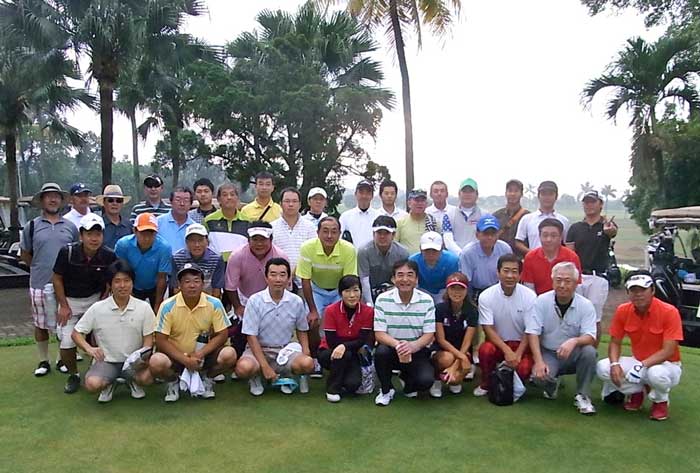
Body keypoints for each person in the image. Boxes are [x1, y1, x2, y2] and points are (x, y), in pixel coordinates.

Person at [596, 271, 683, 421]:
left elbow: (669, 350)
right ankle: (638, 390)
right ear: (628, 292)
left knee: (655, 374)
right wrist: (615, 364)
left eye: (643, 290)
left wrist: (642, 365)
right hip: (639, 361)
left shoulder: (669, 311)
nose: (638, 294)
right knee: (603, 368)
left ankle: (660, 401)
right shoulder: (623, 310)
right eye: (633, 290)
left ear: (653, 291)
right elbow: (615, 342)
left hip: (667, 365)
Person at [149, 263, 237, 402]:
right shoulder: (167, 306)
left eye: (196, 281)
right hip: (176, 356)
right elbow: (161, 339)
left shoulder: (214, 303)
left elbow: (222, 334)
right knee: (156, 362)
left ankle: (206, 378)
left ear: (202, 284)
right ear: (179, 285)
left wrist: (200, 354)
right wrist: (184, 359)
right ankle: (173, 382)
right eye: (187, 281)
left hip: (203, 355)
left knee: (229, 354)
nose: (192, 285)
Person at [71, 260, 155, 402]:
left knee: (147, 379)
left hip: (133, 362)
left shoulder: (144, 307)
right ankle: (110, 383)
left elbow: (148, 340)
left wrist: (142, 358)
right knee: (92, 385)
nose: (122, 285)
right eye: (117, 281)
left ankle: (131, 381)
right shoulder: (98, 308)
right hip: (107, 361)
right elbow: (76, 333)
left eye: (127, 281)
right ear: (110, 284)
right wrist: (89, 349)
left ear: (132, 283)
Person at [20, 183, 79, 377]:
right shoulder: (32, 226)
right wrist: (40, 269)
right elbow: (26, 254)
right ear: (42, 200)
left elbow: (75, 254)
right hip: (39, 283)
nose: (53, 199)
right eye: (48, 196)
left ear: (61, 201)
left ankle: (61, 359)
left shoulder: (70, 227)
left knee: (64, 323)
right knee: (41, 324)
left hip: (65, 284)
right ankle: (43, 360)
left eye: (56, 196)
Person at [53, 214, 117, 393]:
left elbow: (110, 280)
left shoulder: (109, 255)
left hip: (95, 300)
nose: (94, 238)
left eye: (98, 234)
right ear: (81, 235)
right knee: (67, 343)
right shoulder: (68, 252)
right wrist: (64, 306)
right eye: (89, 234)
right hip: (70, 302)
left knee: (101, 339)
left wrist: (104, 299)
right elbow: (57, 278)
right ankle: (73, 374)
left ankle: (97, 371)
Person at [526, 262, 598, 415]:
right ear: (552, 281)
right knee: (538, 377)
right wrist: (538, 361)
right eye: (558, 280)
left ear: (576, 283)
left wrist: (575, 341)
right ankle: (552, 384)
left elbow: (591, 336)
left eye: (568, 281)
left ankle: (583, 395)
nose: (563, 285)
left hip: (574, 354)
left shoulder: (586, 305)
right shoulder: (541, 301)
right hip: (549, 352)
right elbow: (533, 332)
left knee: (590, 352)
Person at [235, 258, 314, 396]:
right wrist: (265, 367)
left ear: (289, 278)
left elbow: (302, 329)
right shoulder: (254, 300)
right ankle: (256, 376)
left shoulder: (296, 301)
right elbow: (251, 336)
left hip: (284, 350)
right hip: (259, 349)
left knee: (307, 363)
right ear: (266, 277)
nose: (278, 279)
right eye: (273, 274)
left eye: (282, 275)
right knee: (243, 368)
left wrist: (306, 352)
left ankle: (288, 375)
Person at [297, 216, 358, 377]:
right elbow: (305, 280)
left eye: (334, 232)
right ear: (317, 233)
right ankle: (316, 358)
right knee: (312, 321)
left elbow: (349, 282)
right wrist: (312, 310)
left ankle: (339, 358)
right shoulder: (307, 247)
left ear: (339, 233)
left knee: (342, 322)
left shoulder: (349, 249)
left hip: (340, 290)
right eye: (325, 231)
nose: (329, 236)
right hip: (316, 289)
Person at [373, 259, 436, 406]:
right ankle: (386, 390)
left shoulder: (427, 300)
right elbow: (380, 334)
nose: (405, 279)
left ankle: (408, 381)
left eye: (410, 275)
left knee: (425, 382)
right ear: (393, 279)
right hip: (391, 348)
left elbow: (429, 334)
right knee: (381, 352)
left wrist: (413, 346)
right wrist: (399, 346)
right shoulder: (382, 299)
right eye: (400, 275)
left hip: (417, 349)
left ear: (416, 279)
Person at [474, 254, 536, 398]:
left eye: (514, 271)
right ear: (498, 272)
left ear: (520, 274)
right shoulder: (486, 296)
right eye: (506, 271)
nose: (510, 275)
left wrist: (518, 354)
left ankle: (511, 378)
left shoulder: (530, 296)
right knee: (485, 350)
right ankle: (486, 383)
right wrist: (507, 351)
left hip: (521, 345)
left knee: (524, 369)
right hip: (498, 344)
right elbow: (488, 328)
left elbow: (530, 329)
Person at [566, 190, 618, 340]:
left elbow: (612, 232)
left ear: (600, 204)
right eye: (586, 202)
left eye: (593, 202)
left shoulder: (606, 225)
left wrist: (608, 230)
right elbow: (570, 254)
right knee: (574, 316)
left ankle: (591, 352)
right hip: (578, 276)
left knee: (594, 318)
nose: (589, 205)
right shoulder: (575, 228)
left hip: (598, 277)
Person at [318, 275, 374, 402]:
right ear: (340, 293)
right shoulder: (331, 310)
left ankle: (342, 376)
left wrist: (345, 346)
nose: (352, 295)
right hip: (329, 351)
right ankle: (332, 388)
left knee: (353, 385)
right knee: (343, 355)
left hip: (352, 352)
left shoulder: (368, 312)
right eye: (347, 291)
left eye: (355, 290)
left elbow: (362, 339)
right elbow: (331, 340)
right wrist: (345, 348)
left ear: (361, 291)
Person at [225, 221, 289, 315]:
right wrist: (238, 307)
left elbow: (286, 285)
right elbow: (230, 286)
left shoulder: (281, 256)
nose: (259, 244)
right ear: (248, 240)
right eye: (255, 239)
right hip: (244, 298)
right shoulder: (237, 256)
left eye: (263, 239)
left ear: (271, 240)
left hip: (273, 299)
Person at [430, 273, 478, 398]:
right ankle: (436, 380)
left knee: (461, 371)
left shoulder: (472, 311)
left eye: (461, 288)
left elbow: (467, 341)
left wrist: (457, 364)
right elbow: (441, 340)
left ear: (466, 290)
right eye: (453, 288)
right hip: (442, 350)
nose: (457, 292)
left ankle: (453, 379)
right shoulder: (440, 309)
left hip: (463, 349)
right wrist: (461, 358)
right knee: (447, 358)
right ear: (447, 290)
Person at [114, 213, 172, 312]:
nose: (147, 238)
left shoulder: (164, 248)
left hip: (154, 286)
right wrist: (129, 298)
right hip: (132, 285)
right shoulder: (123, 245)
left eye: (151, 234)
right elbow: (121, 272)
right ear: (135, 231)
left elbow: (161, 277)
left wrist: (158, 304)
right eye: (143, 233)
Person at [521, 218, 582, 295]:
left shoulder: (571, 257)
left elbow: (577, 286)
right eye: (545, 235)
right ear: (539, 236)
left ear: (561, 237)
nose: (548, 239)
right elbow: (529, 288)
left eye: (553, 235)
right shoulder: (530, 257)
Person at [459, 214, 513, 301]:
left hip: (500, 289)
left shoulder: (505, 248)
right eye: (486, 234)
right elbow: (466, 282)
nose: (490, 237)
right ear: (477, 235)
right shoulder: (468, 253)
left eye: (493, 234)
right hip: (477, 291)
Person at [358, 216, 409, 304]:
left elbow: (402, 278)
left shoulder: (403, 252)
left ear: (393, 235)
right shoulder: (364, 251)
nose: (382, 236)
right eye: (379, 233)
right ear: (373, 234)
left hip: (393, 291)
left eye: (386, 233)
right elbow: (364, 279)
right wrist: (370, 304)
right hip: (369, 291)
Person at [271, 187, 317, 282]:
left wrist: (294, 272)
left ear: (300, 204)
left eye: (294, 201)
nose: (291, 204)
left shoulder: (310, 227)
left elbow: (313, 253)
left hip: (304, 281)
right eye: (287, 201)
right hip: (279, 280)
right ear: (280, 204)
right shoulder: (272, 227)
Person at [171, 224, 225, 298]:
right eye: (192, 241)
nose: (197, 245)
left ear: (207, 241)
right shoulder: (177, 258)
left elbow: (216, 291)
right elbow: (176, 289)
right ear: (186, 242)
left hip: (208, 300)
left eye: (200, 240)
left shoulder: (216, 258)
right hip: (183, 299)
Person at [515, 180, 570, 254]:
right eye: (543, 194)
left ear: (556, 196)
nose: (547, 197)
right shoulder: (527, 219)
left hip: (557, 263)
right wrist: (533, 254)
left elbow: (567, 244)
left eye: (550, 194)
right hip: (534, 262)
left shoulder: (563, 221)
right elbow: (518, 242)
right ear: (538, 196)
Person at [409, 232, 459, 304]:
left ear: (442, 248)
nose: (431, 254)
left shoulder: (452, 260)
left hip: (443, 290)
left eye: (435, 250)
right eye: (427, 250)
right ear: (420, 249)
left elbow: (452, 282)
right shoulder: (413, 260)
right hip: (422, 289)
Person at [204, 182, 250, 261]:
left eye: (232, 194)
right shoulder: (208, 220)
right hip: (215, 265)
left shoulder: (247, 222)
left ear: (237, 198)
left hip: (240, 265)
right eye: (225, 195)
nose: (229, 197)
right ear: (218, 199)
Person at [442, 178, 483, 253]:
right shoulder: (448, 215)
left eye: (471, 191)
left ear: (477, 194)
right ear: (459, 194)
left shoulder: (484, 215)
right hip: (456, 257)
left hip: (478, 257)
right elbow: (448, 241)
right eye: (464, 191)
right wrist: (461, 254)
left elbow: (485, 238)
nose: (467, 194)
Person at [493, 179, 529, 258]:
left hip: (520, 259)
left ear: (521, 194)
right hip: (500, 259)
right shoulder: (496, 216)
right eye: (510, 191)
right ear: (506, 193)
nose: (513, 194)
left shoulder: (528, 217)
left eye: (516, 191)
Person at [396, 189, 438, 254]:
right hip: (407, 262)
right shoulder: (400, 223)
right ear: (409, 203)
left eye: (422, 201)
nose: (420, 203)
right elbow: (395, 245)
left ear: (426, 204)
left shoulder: (434, 223)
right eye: (417, 200)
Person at [339, 179, 380, 248]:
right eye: (361, 192)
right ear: (355, 194)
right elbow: (339, 238)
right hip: (351, 257)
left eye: (367, 193)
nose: (364, 196)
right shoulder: (345, 217)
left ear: (372, 196)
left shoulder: (379, 216)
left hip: (373, 257)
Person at [156, 186, 195, 254]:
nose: (182, 204)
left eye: (186, 200)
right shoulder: (158, 222)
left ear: (190, 204)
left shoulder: (194, 227)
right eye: (178, 200)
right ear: (171, 202)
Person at [97, 184, 132, 250]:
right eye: (110, 200)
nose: (114, 203)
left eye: (118, 200)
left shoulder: (129, 225)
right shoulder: (98, 224)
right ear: (104, 202)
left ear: (122, 204)